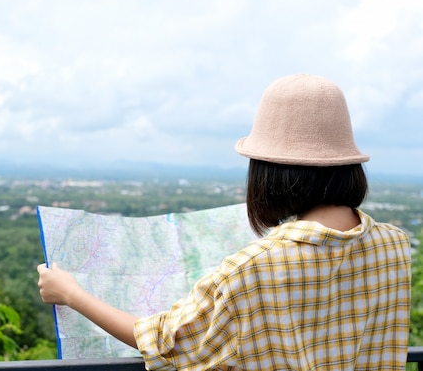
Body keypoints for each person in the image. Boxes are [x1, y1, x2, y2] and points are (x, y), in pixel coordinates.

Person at [37, 74, 411, 370]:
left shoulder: (250, 271)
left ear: (268, 172)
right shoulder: (395, 246)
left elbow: (162, 341)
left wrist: (70, 293)